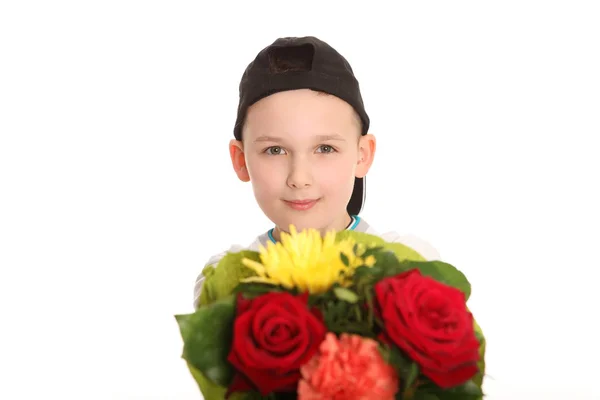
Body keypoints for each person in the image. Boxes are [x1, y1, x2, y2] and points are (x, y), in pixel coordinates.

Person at [193, 36, 440, 308]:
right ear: (240, 160)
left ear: (362, 155)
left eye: (324, 148)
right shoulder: (226, 280)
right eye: (275, 150)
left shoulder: (410, 266)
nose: (299, 178)